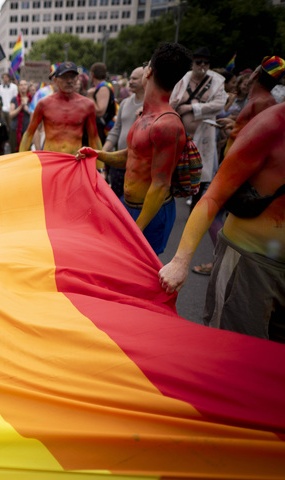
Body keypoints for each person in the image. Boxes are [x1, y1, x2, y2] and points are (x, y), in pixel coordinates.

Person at [159, 102, 285, 342]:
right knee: (233, 353)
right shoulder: (271, 124)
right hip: (251, 265)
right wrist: (180, 261)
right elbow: (213, 196)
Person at [77, 43, 193, 255]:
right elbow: (132, 156)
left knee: (141, 273)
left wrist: (138, 228)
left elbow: (160, 184)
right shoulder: (146, 114)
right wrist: (98, 154)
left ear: (149, 72)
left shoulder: (166, 124)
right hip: (129, 205)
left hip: (150, 214)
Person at [169, 47, 227, 208]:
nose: (202, 65)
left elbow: (219, 105)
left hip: (204, 136)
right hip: (180, 135)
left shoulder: (216, 81)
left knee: (201, 174)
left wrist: (192, 108)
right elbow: (171, 100)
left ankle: (194, 208)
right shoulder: (183, 79)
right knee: (172, 173)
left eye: (206, 62)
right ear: (192, 63)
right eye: (199, 61)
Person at [19, 61, 100, 155]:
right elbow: (29, 133)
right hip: (51, 160)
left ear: (77, 79)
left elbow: (94, 137)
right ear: (55, 80)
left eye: (72, 76)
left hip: (74, 160)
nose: (69, 80)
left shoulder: (87, 105)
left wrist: (101, 167)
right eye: (65, 77)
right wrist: (20, 160)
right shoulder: (44, 104)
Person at [223, 56, 283, 155]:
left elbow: (259, 138)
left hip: (242, 161)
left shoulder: (262, 102)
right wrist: (233, 124)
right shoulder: (261, 100)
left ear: (255, 74)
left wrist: (234, 127)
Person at [103, 66, 145, 198]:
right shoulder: (125, 103)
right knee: (114, 199)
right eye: (130, 78)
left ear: (146, 80)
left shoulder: (151, 105)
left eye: (135, 78)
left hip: (139, 166)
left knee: (132, 202)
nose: (130, 81)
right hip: (120, 163)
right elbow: (115, 130)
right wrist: (103, 153)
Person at [88, 62, 116, 145]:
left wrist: (90, 97)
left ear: (92, 74)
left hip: (102, 129)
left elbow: (100, 112)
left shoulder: (103, 88)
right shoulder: (103, 86)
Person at [8, 79, 32, 153]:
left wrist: (25, 105)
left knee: (26, 152)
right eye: (21, 85)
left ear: (27, 87)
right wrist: (20, 106)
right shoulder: (14, 99)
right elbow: (11, 115)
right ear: (18, 87)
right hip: (15, 129)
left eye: (25, 84)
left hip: (27, 129)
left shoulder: (32, 99)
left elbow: (33, 113)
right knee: (14, 152)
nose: (23, 87)